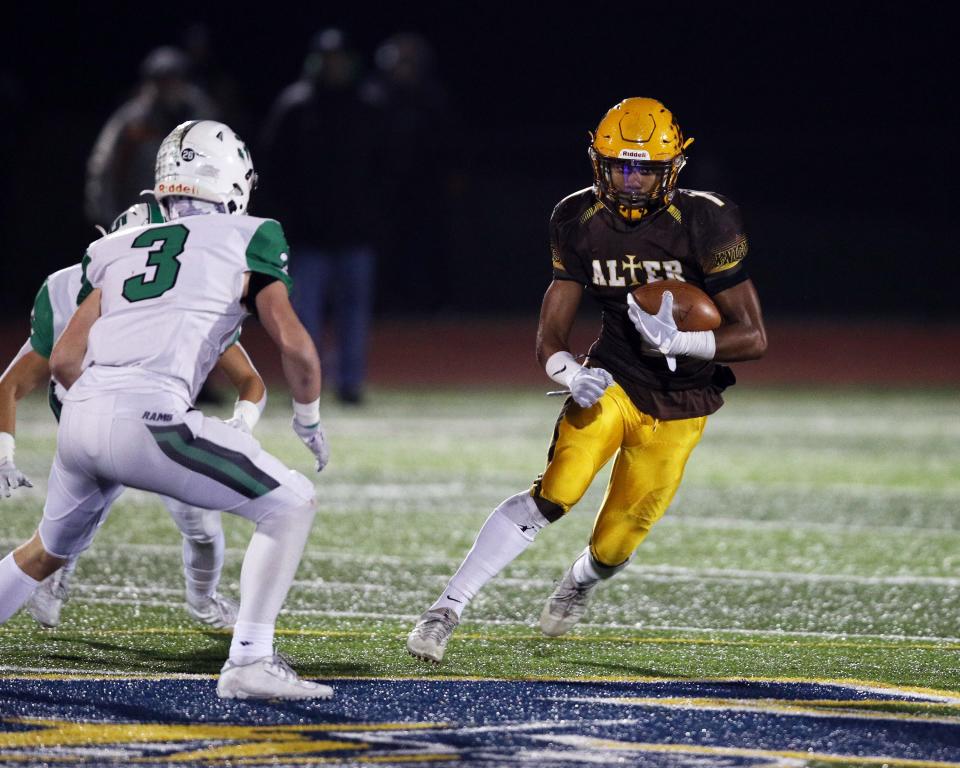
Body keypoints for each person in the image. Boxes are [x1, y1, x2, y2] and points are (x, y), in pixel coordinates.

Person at [407, 97, 767, 663]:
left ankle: (580, 579)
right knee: (558, 489)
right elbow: (552, 328)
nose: (628, 180)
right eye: (618, 165)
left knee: (617, 540)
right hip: (614, 378)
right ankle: (446, 608)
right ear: (597, 162)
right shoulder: (576, 217)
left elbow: (754, 337)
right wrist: (568, 371)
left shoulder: (706, 218)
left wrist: (682, 342)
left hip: (683, 399)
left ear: (671, 168)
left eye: (643, 168)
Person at [0, 120, 332, 700]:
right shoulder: (250, 235)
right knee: (292, 502)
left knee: (44, 552)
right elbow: (296, 346)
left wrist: (101, 414)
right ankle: (250, 661)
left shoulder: (112, 246)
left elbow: (64, 360)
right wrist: (307, 416)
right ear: (230, 179)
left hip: (81, 419)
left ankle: (230, 634)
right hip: (150, 417)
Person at [0, 195, 265, 630]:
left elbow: (249, 380)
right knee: (271, 507)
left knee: (56, 543)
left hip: (103, 426)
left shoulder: (153, 292)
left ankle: (200, 602)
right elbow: (20, 380)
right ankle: (206, 606)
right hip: (140, 427)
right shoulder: (73, 290)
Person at [259, 28, 383, 404]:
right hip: (308, 234)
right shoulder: (294, 106)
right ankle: (307, 385)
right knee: (303, 317)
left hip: (356, 232)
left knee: (354, 316)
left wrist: (375, 214)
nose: (333, 65)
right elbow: (272, 164)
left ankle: (349, 385)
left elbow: (386, 167)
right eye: (327, 58)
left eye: (339, 58)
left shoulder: (368, 104)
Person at [85, 46, 218, 229]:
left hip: (192, 220)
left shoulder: (202, 115)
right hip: (140, 221)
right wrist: (108, 218)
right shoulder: (131, 122)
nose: (169, 85)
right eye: (161, 79)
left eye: (174, 77)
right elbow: (103, 168)